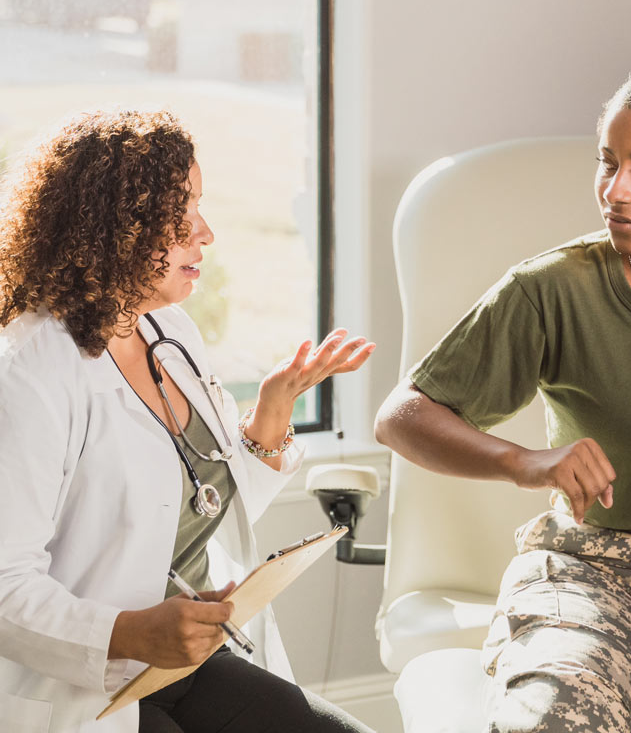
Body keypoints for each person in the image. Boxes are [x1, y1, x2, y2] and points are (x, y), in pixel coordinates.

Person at [375, 57, 631, 732]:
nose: (615, 190)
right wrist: (525, 462)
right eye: (608, 163)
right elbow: (403, 417)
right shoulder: (550, 289)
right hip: (587, 566)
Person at [0, 109, 376, 733]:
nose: (205, 234)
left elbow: (200, 504)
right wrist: (131, 631)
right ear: (112, 227)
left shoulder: (167, 331)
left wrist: (272, 413)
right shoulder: (29, 371)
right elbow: (2, 585)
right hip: (82, 685)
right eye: (181, 212)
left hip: (179, 664)